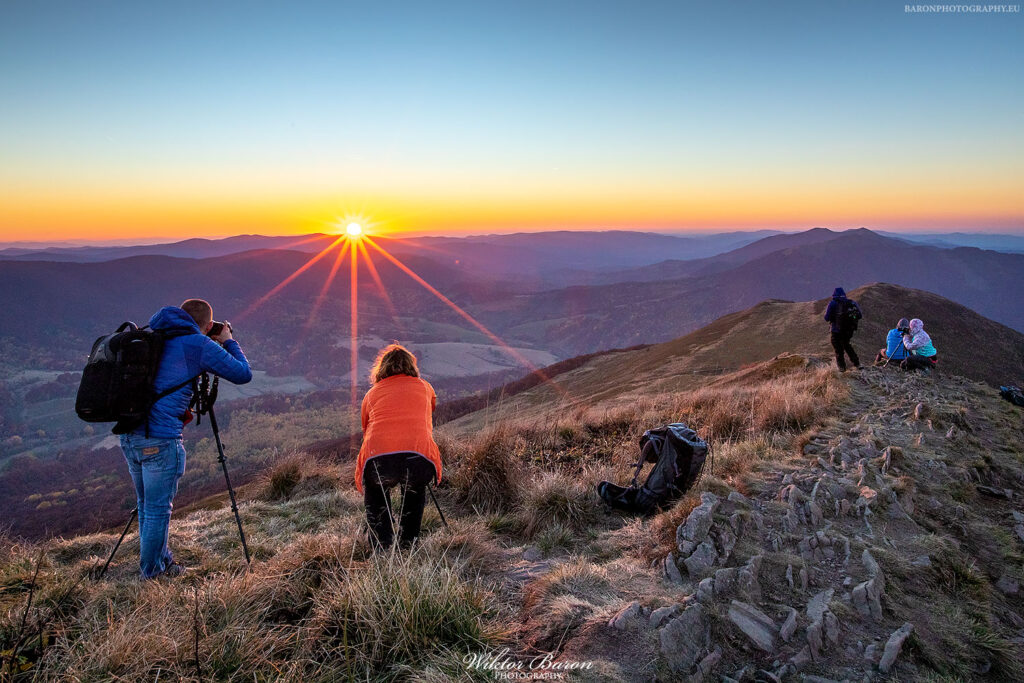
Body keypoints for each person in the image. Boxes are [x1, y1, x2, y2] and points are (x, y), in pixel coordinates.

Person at [118, 299, 252, 579]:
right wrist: (227, 340)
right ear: (206, 324)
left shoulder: (153, 334)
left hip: (130, 435)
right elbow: (243, 373)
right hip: (161, 439)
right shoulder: (197, 344)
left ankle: (161, 561)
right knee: (156, 510)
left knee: (147, 506)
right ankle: (152, 574)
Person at [355, 344, 443, 551]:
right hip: (418, 456)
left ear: (381, 368)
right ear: (412, 366)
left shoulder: (371, 394)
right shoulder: (425, 387)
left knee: (376, 494)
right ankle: (408, 544)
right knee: (414, 490)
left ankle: (382, 546)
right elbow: (429, 411)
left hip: (378, 458)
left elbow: (365, 427)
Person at [823, 287, 861, 372]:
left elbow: (826, 318)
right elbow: (860, 315)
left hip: (836, 330)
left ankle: (842, 368)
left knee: (838, 350)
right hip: (848, 331)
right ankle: (857, 363)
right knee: (847, 345)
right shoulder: (851, 303)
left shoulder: (833, 303)